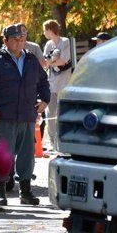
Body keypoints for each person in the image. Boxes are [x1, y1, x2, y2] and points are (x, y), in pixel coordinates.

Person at [0, 24, 50, 206]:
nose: (19, 42)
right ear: (5, 41)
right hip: (4, 117)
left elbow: (43, 82)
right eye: (15, 39)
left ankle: (25, 193)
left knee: (27, 156)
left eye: (22, 39)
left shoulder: (31, 60)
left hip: (27, 116)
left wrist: (45, 100)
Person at [42, 20, 71, 151]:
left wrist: (52, 62)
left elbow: (64, 60)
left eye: (45, 30)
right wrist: (54, 61)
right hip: (51, 84)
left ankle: (64, 141)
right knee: (50, 113)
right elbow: (45, 61)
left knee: (63, 113)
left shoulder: (65, 42)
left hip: (64, 84)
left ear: (50, 29)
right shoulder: (48, 44)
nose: (44, 33)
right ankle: (53, 142)